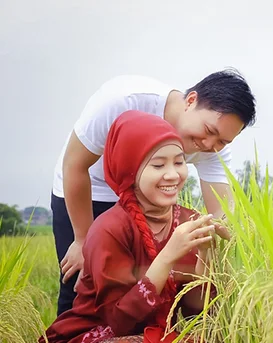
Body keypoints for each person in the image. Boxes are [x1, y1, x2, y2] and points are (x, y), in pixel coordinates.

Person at [50, 69, 256, 317]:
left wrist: (225, 240)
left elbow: (222, 210)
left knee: (147, 289)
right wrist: (83, 239)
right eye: (209, 131)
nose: (210, 145)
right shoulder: (124, 101)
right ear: (191, 101)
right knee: (80, 286)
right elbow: (74, 165)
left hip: (147, 202)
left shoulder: (214, 147)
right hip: (88, 190)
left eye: (223, 141)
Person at [40, 110, 231, 343]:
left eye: (179, 162)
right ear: (130, 169)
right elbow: (120, 323)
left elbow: (195, 314)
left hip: (154, 334)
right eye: (158, 165)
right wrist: (168, 256)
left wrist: (204, 255)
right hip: (98, 335)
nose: (173, 175)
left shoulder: (188, 222)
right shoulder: (109, 229)